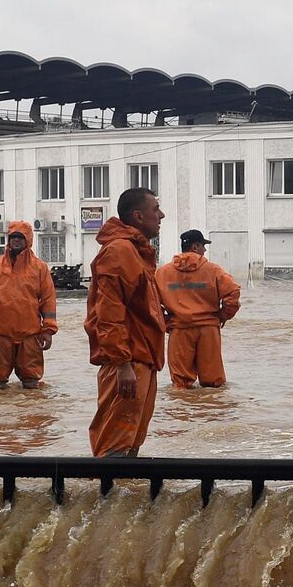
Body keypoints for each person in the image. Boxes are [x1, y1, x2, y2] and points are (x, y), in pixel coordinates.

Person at [84, 187, 166, 456]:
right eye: (156, 209)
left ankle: (119, 496)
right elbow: (108, 313)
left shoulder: (134, 251)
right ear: (138, 216)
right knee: (115, 445)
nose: (161, 215)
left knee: (130, 443)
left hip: (141, 359)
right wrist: (122, 364)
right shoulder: (120, 251)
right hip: (128, 361)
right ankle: (104, 495)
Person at [0, 220, 58, 389]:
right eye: (13, 237)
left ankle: (29, 415)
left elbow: (48, 301)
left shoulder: (40, 268)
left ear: (28, 240)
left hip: (30, 335)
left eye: (20, 237)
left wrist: (48, 330)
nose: (16, 240)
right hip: (0, 334)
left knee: (32, 384)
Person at [155, 229, 241, 388]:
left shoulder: (162, 273)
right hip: (208, 330)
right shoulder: (213, 270)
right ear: (195, 247)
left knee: (181, 386)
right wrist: (223, 316)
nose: (205, 250)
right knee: (213, 384)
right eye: (203, 246)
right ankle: (209, 411)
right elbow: (233, 293)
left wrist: (167, 322)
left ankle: (184, 411)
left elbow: (151, 303)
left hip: (179, 330)